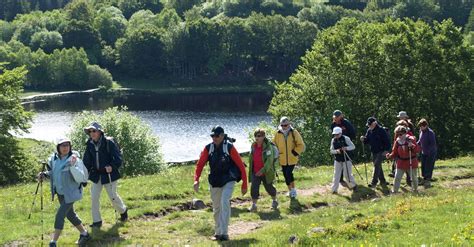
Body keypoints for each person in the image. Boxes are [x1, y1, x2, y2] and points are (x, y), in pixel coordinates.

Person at [193, 126, 248, 241]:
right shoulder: (208, 148)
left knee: (224, 202)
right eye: (212, 136)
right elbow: (200, 164)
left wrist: (244, 184)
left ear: (222, 136)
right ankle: (218, 233)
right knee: (217, 207)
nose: (214, 138)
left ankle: (224, 233)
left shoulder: (229, 147)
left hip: (229, 179)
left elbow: (241, 166)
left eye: (216, 136)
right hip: (215, 180)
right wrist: (196, 179)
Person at [38, 138, 90, 247]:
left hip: (72, 192)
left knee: (60, 215)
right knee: (70, 215)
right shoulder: (54, 159)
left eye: (67, 145)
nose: (65, 147)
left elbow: (81, 177)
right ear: (58, 147)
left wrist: (72, 166)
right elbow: (54, 172)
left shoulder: (74, 159)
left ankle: (53, 242)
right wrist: (45, 174)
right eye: (63, 145)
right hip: (60, 193)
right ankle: (84, 234)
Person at [83, 122, 127, 228]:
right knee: (94, 197)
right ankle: (97, 221)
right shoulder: (89, 144)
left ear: (100, 132)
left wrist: (112, 166)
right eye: (90, 131)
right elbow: (86, 162)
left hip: (109, 174)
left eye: (94, 131)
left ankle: (123, 210)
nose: (91, 133)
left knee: (113, 197)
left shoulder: (109, 143)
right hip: (96, 175)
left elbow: (118, 159)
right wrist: (83, 176)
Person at [273, 117, 305, 198]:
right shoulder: (278, 133)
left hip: (292, 158)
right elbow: (274, 145)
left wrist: (295, 152)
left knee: (288, 173)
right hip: (282, 158)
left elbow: (301, 145)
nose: (284, 127)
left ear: (289, 124)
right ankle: (290, 190)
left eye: (286, 125)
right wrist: (274, 155)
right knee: (285, 175)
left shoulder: (294, 132)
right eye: (282, 125)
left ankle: (293, 190)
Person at [248, 128, 278, 212]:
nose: (256, 138)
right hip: (255, 172)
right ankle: (254, 205)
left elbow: (269, 161)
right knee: (254, 188)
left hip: (266, 172)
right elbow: (251, 158)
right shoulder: (253, 145)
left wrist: (262, 170)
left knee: (269, 188)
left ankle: (274, 200)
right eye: (255, 136)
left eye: (258, 136)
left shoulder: (268, 147)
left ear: (263, 136)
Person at [386, 126, 421, 193]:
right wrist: (389, 156)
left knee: (413, 178)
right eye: (397, 134)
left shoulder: (410, 139)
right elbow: (395, 152)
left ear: (405, 133)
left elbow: (417, 150)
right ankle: (395, 191)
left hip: (411, 162)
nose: (399, 136)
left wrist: (412, 146)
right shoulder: (397, 141)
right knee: (397, 177)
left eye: (400, 134)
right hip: (401, 162)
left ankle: (415, 190)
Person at [360, 117, 391, 188]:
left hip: (382, 151)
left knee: (376, 165)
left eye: (370, 124)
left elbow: (388, 142)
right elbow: (367, 140)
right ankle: (383, 181)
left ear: (375, 123)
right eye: (368, 125)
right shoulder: (369, 130)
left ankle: (374, 182)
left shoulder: (381, 130)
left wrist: (386, 150)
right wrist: (363, 139)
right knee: (378, 166)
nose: (369, 126)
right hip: (373, 151)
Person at [330, 110, 356, 187]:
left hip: (346, 144)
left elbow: (353, 133)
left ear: (341, 116)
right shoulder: (333, 124)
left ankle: (352, 185)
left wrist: (346, 143)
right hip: (337, 146)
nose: (336, 118)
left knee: (346, 170)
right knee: (337, 168)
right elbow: (333, 135)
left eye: (337, 116)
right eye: (335, 116)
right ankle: (338, 183)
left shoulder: (346, 123)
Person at [330, 127, 357, 193]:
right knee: (336, 175)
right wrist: (336, 151)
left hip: (346, 159)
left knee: (346, 174)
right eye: (335, 134)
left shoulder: (346, 138)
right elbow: (331, 150)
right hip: (338, 160)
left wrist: (346, 148)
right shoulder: (333, 140)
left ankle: (353, 186)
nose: (336, 136)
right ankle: (334, 190)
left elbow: (353, 147)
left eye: (337, 134)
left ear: (340, 133)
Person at [417, 119, 437, 187]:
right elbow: (420, 140)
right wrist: (416, 145)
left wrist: (429, 152)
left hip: (431, 153)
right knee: (423, 166)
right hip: (423, 152)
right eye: (420, 126)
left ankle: (427, 180)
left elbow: (433, 144)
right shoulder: (421, 131)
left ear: (426, 126)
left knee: (428, 166)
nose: (421, 128)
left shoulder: (430, 133)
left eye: (422, 126)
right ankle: (424, 179)